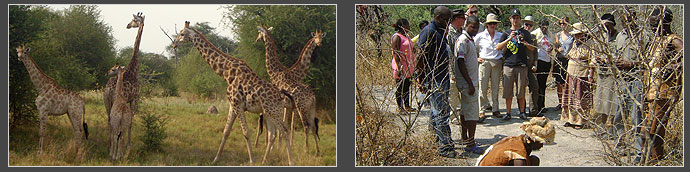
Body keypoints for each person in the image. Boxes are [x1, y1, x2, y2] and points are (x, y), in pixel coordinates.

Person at [416, 5, 458, 158]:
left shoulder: (439, 31)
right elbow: (420, 56)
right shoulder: (428, 32)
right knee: (441, 113)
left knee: (436, 112)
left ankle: (433, 139)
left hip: (442, 77)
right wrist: (420, 79)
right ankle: (445, 147)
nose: (449, 23)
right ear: (438, 18)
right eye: (447, 20)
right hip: (435, 79)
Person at [645, 8, 683, 162]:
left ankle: (656, 161)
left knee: (654, 130)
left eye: (655, 26)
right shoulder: (656, 40)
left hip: (664, 92)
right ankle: (651, 160)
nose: (653, 29)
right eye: (651, 26)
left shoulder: (673, 40)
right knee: (647, 130)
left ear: (665, 23)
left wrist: (674, 67)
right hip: (651, 90)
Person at [613, 8, 646, 164]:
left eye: (629, 18)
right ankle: (620, 146)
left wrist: (630, 64)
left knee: (636, 117)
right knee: (619, 114)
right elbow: (614, 54)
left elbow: (648, 62)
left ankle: (639, 152)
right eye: (624, 19)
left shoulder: (643, 36)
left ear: (635, 18)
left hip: (636, 80)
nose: (626, 22)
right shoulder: (620, 36)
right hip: (621, 81)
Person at [496, 8, 535, 121]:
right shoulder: (506, 33)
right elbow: (498, 47)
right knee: (508, 91)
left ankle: (522, 112)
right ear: (510, 19)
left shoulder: (525, 33)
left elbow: (532, 49)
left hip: (521, 65)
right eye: (514, 18)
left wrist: (524, 42)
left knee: (521, 91)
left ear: (520, 19)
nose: (515, 20)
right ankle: (508, 113)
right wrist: (509, 38)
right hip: (508, 65)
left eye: (517, 18)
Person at [453, 15, 483, 154]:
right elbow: (460, 62)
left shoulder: (469, 40)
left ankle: (465, 138)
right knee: (472, 115)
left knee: (465, 112)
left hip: (469, 83)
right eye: (472, 27)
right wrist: (470, 84)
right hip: (468, 84)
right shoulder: (463, 40)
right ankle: (471, 144)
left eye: (477, 27)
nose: (475, 29)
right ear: (466, 25)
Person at [476, 117, 555, 166]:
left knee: (534, 160)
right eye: (540, 143)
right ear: (530, 140)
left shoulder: (516, 139)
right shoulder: (519, 157)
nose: (542, 146)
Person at [562, 22, 595, 130]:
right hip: (571, 73)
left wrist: (591, 75)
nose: (578, 36)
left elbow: (593, 61)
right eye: (576, 35)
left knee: (580, 97)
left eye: (579, 34)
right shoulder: (574, 44)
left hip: (582, 74)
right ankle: (570, 119)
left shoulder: (589, 44)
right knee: (571, 96)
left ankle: (580, 121)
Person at [592, 13, 620, 137]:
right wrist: (597, 59)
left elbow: (620, 55)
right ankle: (602, 127)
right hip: (601, 73)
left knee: (611, 102)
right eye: (604, 26)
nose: (606, 28)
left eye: (608, 25)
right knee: (601, 101)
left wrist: (608, 59)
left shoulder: (618, 37)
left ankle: (612, 128)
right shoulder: (602, 37)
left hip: (612, 74)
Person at [475, 13, 504, 120]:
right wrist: (476, 58)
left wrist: (502, 57)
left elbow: (504, 47)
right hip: (484, 62)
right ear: (487, 25)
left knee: (495, 87)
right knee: (482, 87)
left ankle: (495, 109)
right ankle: (481, 110)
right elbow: (473, 47)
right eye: (491, 23)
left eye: (494, 23)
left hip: (496, 62)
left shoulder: (500, 35)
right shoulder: (480, 36)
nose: (492, 25)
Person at [391, 18, 416, 113]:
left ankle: (407, 106)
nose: (409, 27)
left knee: (406, 86)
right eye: (407, 25)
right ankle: (400, 107)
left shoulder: (407, 36)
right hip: (400, 65)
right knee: (400, 86)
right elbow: (395, 52)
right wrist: (399, 66)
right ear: (402, 26)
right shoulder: (396, 37)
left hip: (408, 65)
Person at [531, 18, 555, 117]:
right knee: (537, 84)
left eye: (546, 26)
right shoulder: (535, 33)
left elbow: (552, 44)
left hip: (547, 61)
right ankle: (536, 105)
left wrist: (551, 47)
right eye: (543, 26)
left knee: (543, 84)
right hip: (539, 60)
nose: (544, 28)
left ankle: (542, 105)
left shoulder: (549, 34)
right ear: (540, 26)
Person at [446, 8, 466, 125]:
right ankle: (454, 117)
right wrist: (452, 72)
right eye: (463, 18)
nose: (464, 20)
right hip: (453, 70)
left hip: (461, 69)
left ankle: (461, 116)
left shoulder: (461, 32)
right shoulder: (449, 34)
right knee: (453, 95)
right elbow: (449, 55)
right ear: (457, 19)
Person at [553, 16, 573, 121]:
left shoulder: (572, 35)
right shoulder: (558, 35)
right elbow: (555, 48)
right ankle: (560, 103)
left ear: (568, 23)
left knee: (568, 83)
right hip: (559, 60)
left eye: (564, 23)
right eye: (560, 23)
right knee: (559, 83)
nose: (562, 25)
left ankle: (568, 103)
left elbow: (574, 46)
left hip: (569, 61)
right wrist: (557, 49)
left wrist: (570, 54)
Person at [523, 15, 540, 116]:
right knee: (521, 89)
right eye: (526, 24)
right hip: (521, 65)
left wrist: (535, 65)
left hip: (531, 66)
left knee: (534, 87)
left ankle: (533, 110)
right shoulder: (519, 35)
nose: (528, 27)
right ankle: (522, 110)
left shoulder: (533, 37)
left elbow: (535, 53)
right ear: (523, 24)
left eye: (530, 25)